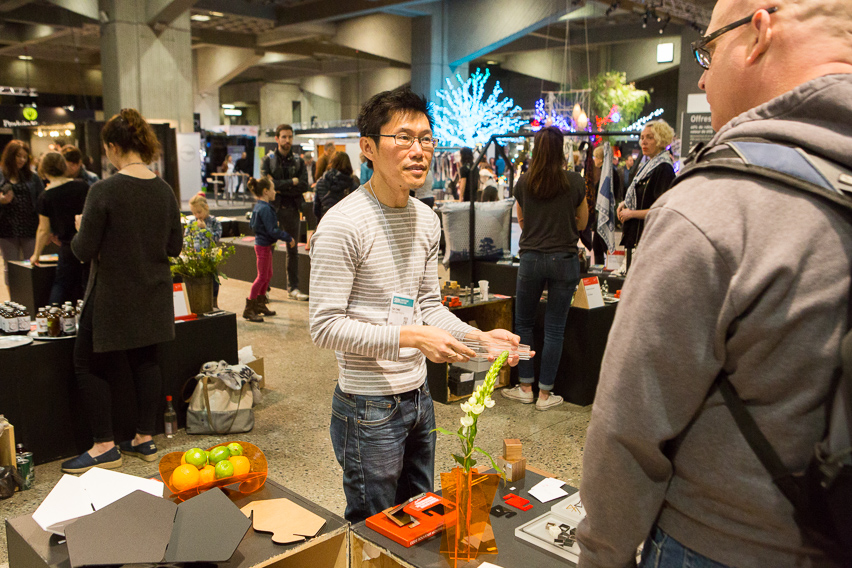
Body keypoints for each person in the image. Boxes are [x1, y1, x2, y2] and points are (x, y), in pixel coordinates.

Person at [576, 2, 852, 567]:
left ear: (758, 33)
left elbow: (629, 427)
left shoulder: (717, 205)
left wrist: (600, 553)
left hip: (715, 542)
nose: (702, 76)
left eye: (708, 49)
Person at [309, 86, 522, 524]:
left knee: (420, 520)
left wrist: (478, 337)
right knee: (375, 530)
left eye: (425, 138)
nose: (419, 150)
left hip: (419, 398)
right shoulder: (343, 223)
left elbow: (427, 305)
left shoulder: (426, 218)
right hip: (368, 408)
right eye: (403, 138)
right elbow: (325, 327)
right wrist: (410, 338)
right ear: (368, 147)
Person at [60, 108, 182, 474]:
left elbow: (83, 250)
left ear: (113, 146)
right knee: (146, 363)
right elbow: (174, 247)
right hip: (154, 295)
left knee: (87, 363)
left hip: (112, 296)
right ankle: (145, 438)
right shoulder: (164, 190)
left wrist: (80, 228)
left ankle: (104, 445)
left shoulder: (104, 190)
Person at [501, 127, 588, 411]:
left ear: (536, 149)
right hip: (564, 260)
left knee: (524, 324)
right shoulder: (575, 182)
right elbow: (583, 223)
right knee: (555, 329)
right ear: (561, 149)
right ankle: (545, 396)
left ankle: (525, 386)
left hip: (531, 259)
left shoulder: (524, 183)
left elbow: (522, 222)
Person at [616, 120, 676, 270]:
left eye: (649, 137)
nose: (644, 141)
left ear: (661, 139)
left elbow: (662, 210)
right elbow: (641, 196)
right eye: (642, 137)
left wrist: (631, 213)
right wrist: (624, 204)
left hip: (649, 242)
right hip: (636, 239)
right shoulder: (648, 166)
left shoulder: (664, 168)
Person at [30, 152, 89, 304]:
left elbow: (44, 230)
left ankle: (52, 319)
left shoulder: (46, 196)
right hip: (87, 244)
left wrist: (36, 254)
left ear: (43, 169)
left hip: (67, 247)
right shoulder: (82, 186)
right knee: (86, 286)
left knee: (61, 285)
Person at [261, 124, 309, 301]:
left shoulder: (299, 161)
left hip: (292, 209)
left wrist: (280, 186)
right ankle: (264, 288)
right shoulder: (268, 160)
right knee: (268, 250)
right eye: (283, 137)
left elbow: (303, 185)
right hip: (271, 210)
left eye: (289, 137)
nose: (287, 140)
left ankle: (293, 288)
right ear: (277, 138)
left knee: (293, 250)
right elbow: (266, 186)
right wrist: (292, 182)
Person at [244, 177, 296, 322]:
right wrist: (288, 238)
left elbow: (253, 226)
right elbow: (272, 230)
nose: (275, 191)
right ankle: (249, 308)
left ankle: (260, 304)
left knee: (267, 275)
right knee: (261, 277)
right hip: (263, 245)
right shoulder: (265, 208)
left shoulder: (259, 207)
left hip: (264, 245)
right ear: (266, 192)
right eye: (273, 189)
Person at [0, 140, 43, 295]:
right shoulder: (1, 174)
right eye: (18, 156)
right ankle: (15, 300)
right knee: (10, 266)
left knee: (31, 264)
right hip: (6, 227)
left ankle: (32, 298)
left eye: (25, 157)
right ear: (10, 156)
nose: (22, 160)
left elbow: (41, 200)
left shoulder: (33, 177)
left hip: (30, 226)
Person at [187, 193, 223, 308]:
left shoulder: (214, 222)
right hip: (195, 257)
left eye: (199, 212)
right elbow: (186, 238)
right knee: (197, 279)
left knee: (213, 278)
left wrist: (205, 229)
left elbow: (216, 237)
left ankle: (213, 301)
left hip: (210, 257)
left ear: (206, 208)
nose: (197, 215)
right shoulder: (192, 223)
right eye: (194, 213)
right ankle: (197, 301)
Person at [314, 152, 359, 222]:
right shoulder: (353, 185)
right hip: (346, 224)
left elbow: (316, 209)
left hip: (325, 222)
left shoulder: (321, 182)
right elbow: (357, 211)